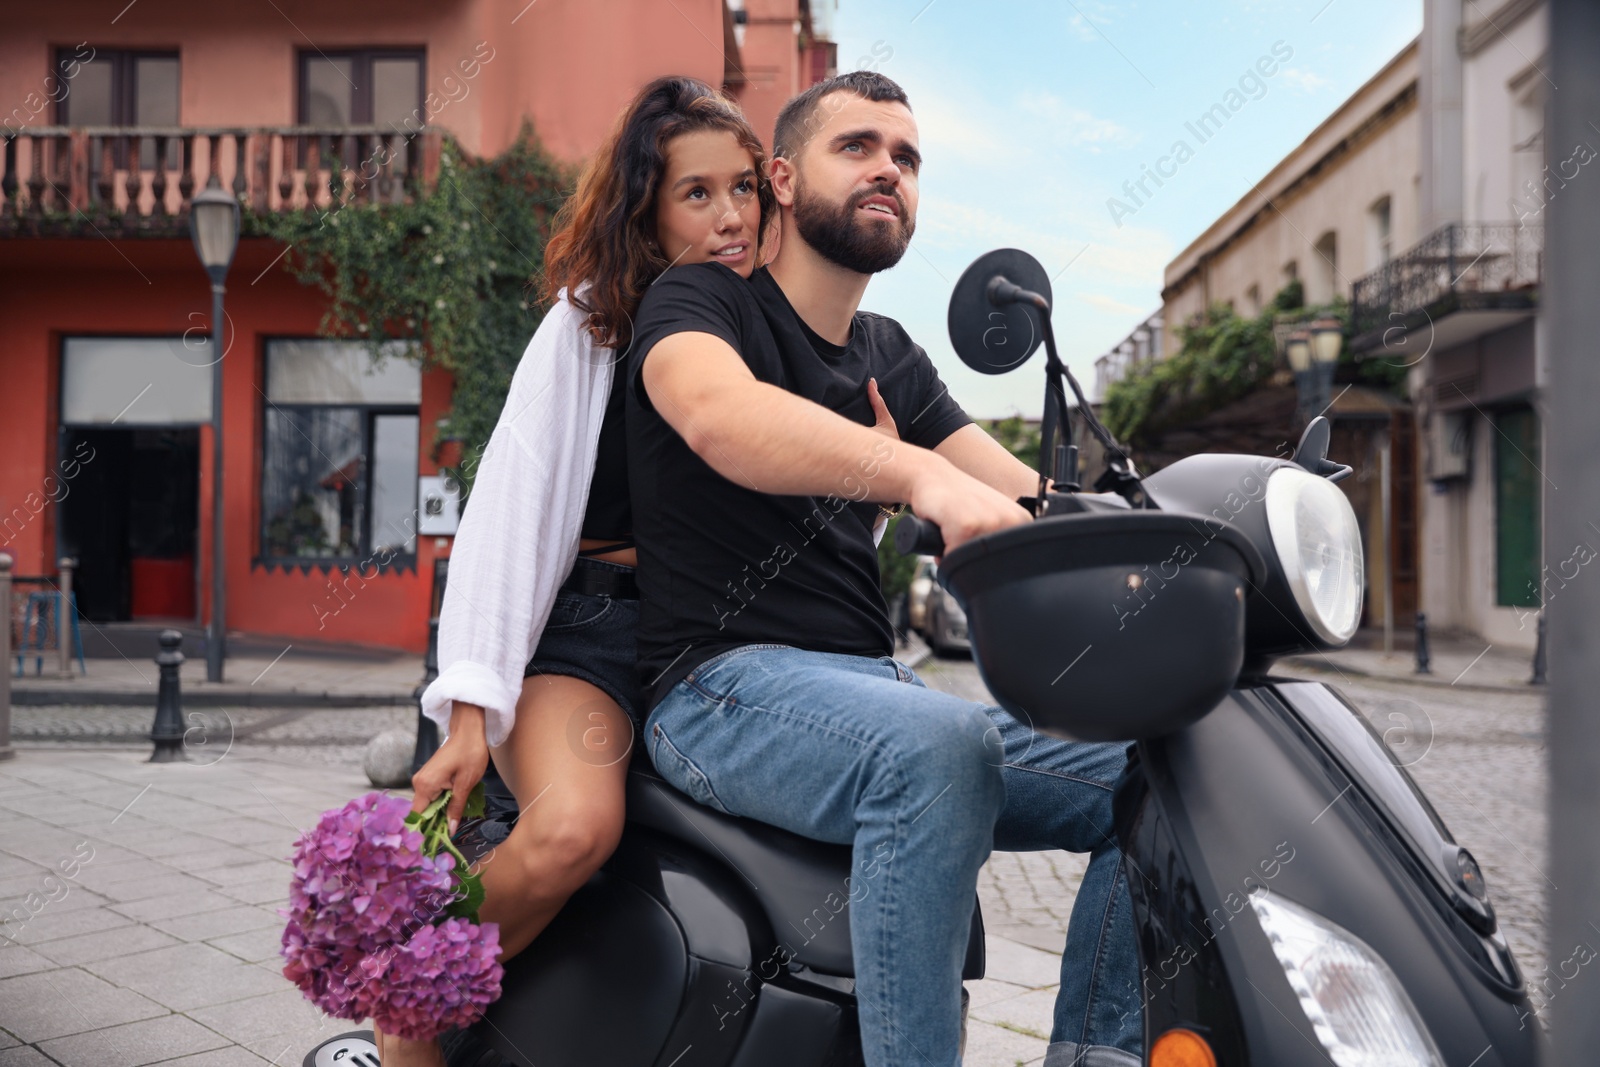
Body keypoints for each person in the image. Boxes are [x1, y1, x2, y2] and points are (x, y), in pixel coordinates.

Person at [625, 71, 1143, 1067]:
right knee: (941, 744)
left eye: (906, 158)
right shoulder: (703, 302)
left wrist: (1166, 518)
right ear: (779, 177)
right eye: (857, 146)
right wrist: (914, 474)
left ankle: (1094, 1054)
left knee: (1151, 769)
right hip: (715, 691)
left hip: (866, 687)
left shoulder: (889, 354)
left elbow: (1031, 495)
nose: (888, 170)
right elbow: (716, 415)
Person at [383, 76, 778, 1067]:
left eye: (743, 188)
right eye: (697, 193)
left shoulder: (769, 334)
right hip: (593, 639)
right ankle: (410, 997)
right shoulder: (593, 323)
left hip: (715, 649)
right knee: (569, 829)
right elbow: (509, 512)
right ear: (645, 207)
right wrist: (470, 704)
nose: (731, 216)